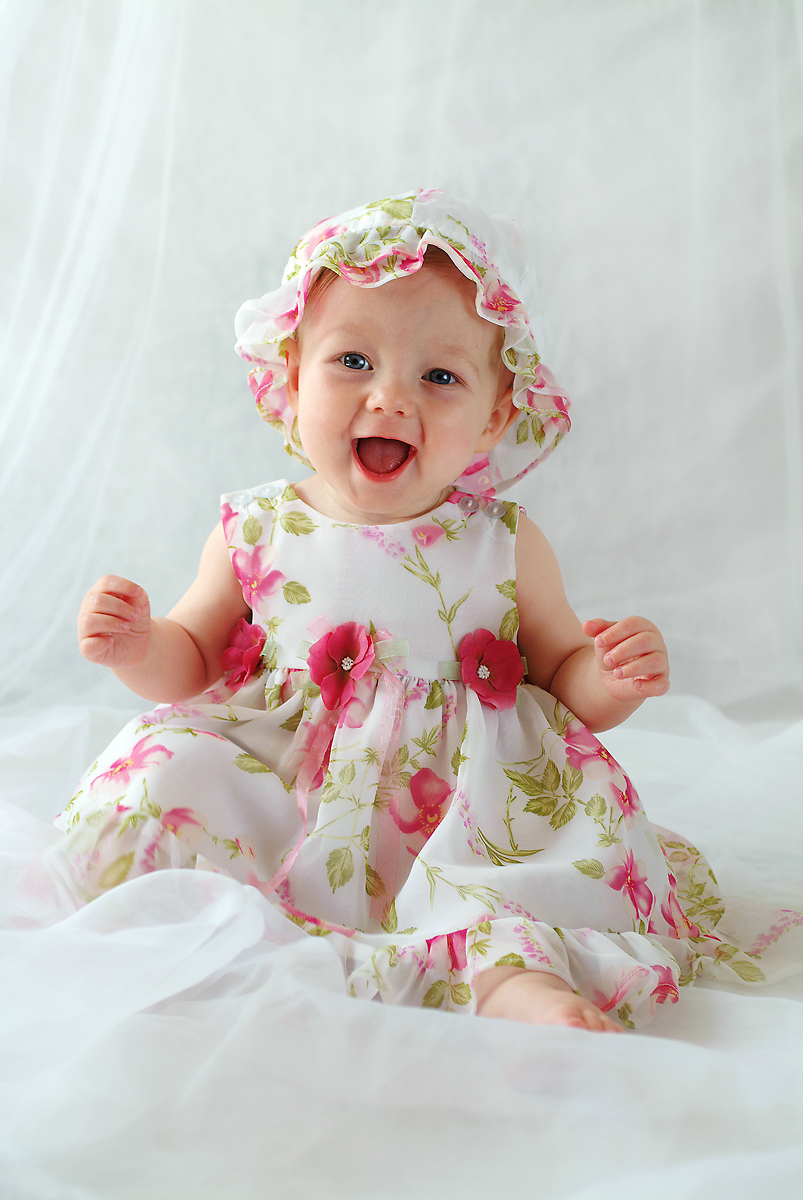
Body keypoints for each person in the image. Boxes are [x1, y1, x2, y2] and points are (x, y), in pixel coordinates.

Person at [61, 189, 765, 1032]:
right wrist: (138, 645)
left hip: (461, 802)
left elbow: (563, 677)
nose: (390, 398)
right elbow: (193, 658)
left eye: (438, 376)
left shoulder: (502, 542)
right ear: (289, 379)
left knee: (515, 878)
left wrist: (612, 677)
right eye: (352, 362)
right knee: (173, 774)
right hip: (290, 783)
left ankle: (519, 989)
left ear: (493, 418)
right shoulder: (257, 526)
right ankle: (199, 929)